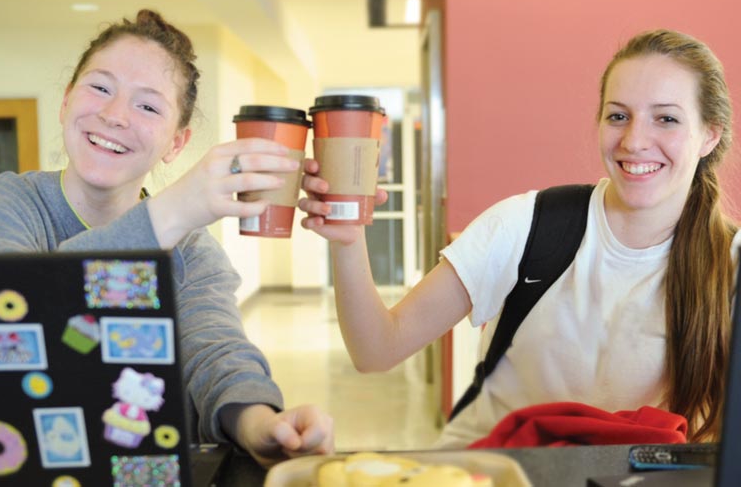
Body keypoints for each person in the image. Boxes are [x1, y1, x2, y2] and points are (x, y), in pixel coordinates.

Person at [299, 29, 737, 447]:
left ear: (709, 135)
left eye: (667, 119)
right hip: (493, 468)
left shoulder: (730, 265)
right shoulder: (528, 224)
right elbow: (376, 350)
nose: (635, 140)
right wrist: (347, 240)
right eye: (618, 116)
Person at [0, 9, 333, 467]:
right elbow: (10, 319)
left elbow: (215, 353)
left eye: (147, 106)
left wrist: (262, 425)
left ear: (175, 143)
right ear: (67, 101)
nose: (113, 116)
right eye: (100, 87)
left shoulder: (193, 251)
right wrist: (172, 211)